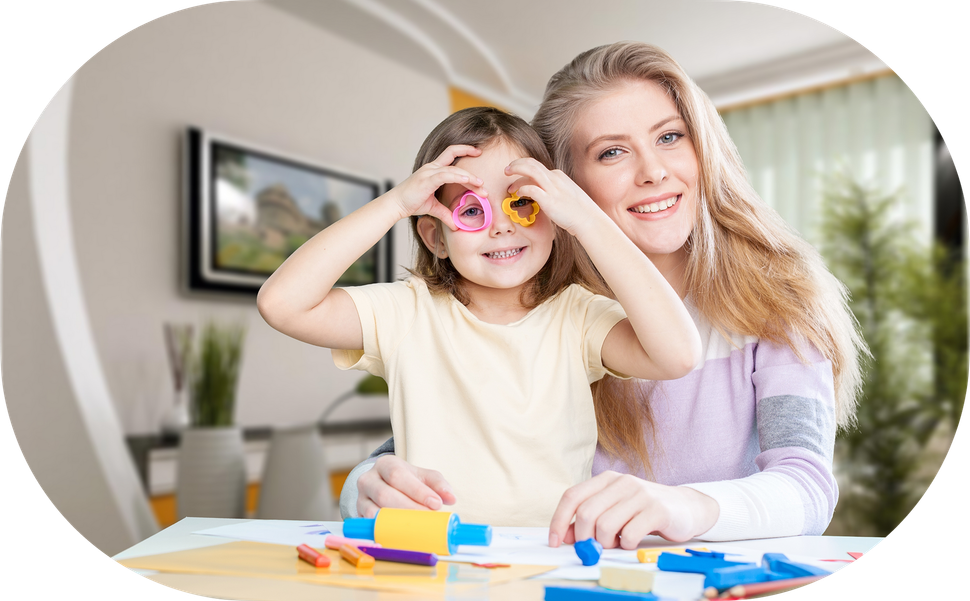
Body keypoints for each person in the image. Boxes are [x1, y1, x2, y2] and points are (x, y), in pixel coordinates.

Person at [339, 42, 867, 548]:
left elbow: (806, 488)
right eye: (612, 152)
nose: (654, 172)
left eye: (670, 137)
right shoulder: (551, 309)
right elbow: (442, 445)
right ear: (561, 184)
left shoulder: (777, 297)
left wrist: (682, 507)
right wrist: (364, 484)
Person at [257, 106, 702, 526]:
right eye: (472, 210)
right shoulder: (406, 312)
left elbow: (678, 355)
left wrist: (587, 219)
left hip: (554, 553)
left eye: (521, 203)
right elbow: (283, 304)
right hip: (435, 554)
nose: (502, 227)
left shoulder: (578, 316)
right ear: (435, 237)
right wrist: (394, 204)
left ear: (553, 214)